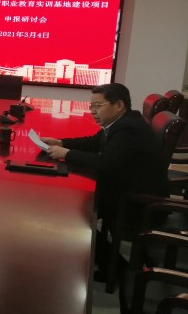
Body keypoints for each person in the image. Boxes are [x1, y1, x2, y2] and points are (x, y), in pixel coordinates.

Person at [41, 83, 168, 277]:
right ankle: (106, 263)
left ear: (119, 105)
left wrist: (66, 154)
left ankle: (113, 268)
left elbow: (106, 163)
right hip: (130, 188)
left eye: (98, 106)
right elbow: (94, 142)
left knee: (75, 212)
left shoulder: (128, 129)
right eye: (91, 106)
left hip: (138, 202)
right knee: (76, 205)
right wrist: (61, 142)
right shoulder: (123, 121)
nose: (93, 111)